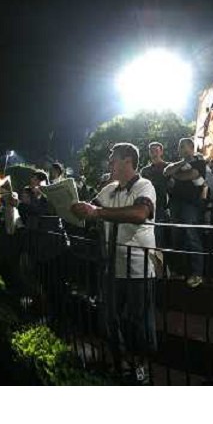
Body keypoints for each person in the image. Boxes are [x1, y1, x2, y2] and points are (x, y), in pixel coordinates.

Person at [71, 142, 157, 385]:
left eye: (113, 159)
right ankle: (121, 365)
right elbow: (89, 210)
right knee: (109, 320)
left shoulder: (145, 185)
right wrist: (72, 206)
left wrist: (97, 213)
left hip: (139, 269)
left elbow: (141, 214)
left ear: (128, 160)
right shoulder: (109, 189)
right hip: (113, 267)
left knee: (139, 325)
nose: (109, 163)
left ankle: (141, 371)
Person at [163, 138, 207, 288]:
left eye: (184, 146)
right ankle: (180, 271)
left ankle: (197, 273)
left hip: (191, 205)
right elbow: (166, 171)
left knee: (191, 236)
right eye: (179, 147)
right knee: (177, 237)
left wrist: (176, 174)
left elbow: (192, 175)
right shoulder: (179, 163)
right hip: (175, 204)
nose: (181, 149)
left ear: (192, 147)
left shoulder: (200, 163)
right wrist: (181, 164)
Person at [141, 142, 170, 246]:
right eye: (151, 151)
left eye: (156, 150)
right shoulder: (145, 170)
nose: (154, 153)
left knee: (159, 236)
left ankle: (159, 260)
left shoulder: (168, 167)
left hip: (162, 206)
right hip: (147, 206)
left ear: (161, 152)